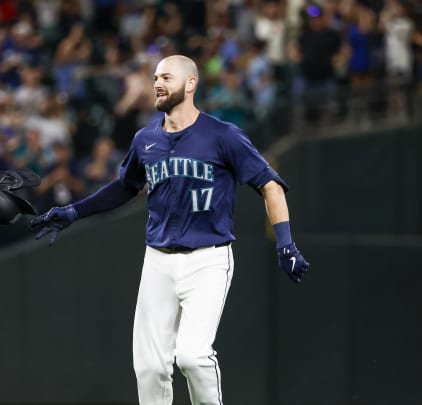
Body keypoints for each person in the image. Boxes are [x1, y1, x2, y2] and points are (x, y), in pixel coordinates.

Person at [29, 55, 310, 405]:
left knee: (192, 355)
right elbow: (125, 187)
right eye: (155, 78)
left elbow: (270, 185)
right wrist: (74, 211)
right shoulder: (145, 139)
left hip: (208, 258)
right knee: (149, 367)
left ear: (191, 84)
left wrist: (285, 243)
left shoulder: (223, 136)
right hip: (158, 260)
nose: (157, 83)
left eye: (166, 77)